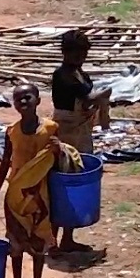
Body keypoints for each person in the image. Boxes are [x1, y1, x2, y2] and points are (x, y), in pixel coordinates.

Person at [0, 84, 68, 278]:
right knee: (15, 244)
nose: (23, 103)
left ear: (38, 101)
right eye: (18, 99)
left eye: (27, 98)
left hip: (40, 196)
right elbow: (5, 164)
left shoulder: (50, 129)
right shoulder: (12, 131)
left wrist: (60, 150)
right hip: (15, 196)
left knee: (38, 244)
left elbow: (59, 164)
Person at [46, 28, 106, 257]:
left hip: (80, 132)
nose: (80, 57)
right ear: (65, 52)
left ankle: (67, 239)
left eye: (83, 53)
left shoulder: (81, 74)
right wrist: (103, 97)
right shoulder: (62, 75)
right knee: (60, 182)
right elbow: (87, 97)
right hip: (66, 132)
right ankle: (52, 241)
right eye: (76, 53)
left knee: (75, 179)